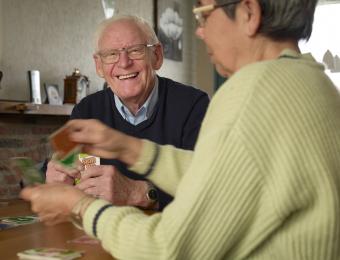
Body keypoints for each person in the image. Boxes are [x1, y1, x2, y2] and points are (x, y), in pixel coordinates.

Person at [21, 0, 340, 259]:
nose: (200, 33)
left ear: (249, 13)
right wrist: (129, 148)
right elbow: (223, 175)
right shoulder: (311, 79)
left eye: (203, 13)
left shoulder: (249, 92)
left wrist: (78, 205)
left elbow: (166, 248)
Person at [45, 15, 209, 210]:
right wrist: (60, 183)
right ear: (99, 65)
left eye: (135, 50)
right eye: (111, 54)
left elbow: (208, 188)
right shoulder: (84, 110)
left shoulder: (194, 105)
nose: (124, 63)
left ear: (157, 56)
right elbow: (70, 182)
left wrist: (139, 193)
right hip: (103, 230)